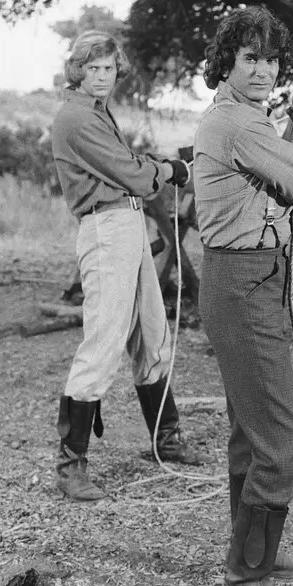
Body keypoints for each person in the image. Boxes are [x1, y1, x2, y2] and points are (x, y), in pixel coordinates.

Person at [193, 5, 293, 586]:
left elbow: (287, 176)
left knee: (252, 431)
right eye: (250, 58)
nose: (263, 70)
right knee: (280, 437)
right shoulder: (239, 126)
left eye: (271, 58)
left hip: (254, 281)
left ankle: (260, 556)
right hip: (241, 284)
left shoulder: (250, 121)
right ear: (226, 63)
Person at [51, 30, 205, 502]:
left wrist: (157, 167)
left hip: (127, 225)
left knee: (152, 334)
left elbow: (128, 165)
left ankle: (166, 438)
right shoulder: (77, 117)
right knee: (103, 342)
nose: (101, 76)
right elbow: (134, 175)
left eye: (108, 68)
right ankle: (70, 465)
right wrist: (169, 170)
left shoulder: (96, 114)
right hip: (106, 228)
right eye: (92, 68)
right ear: (77, 70)